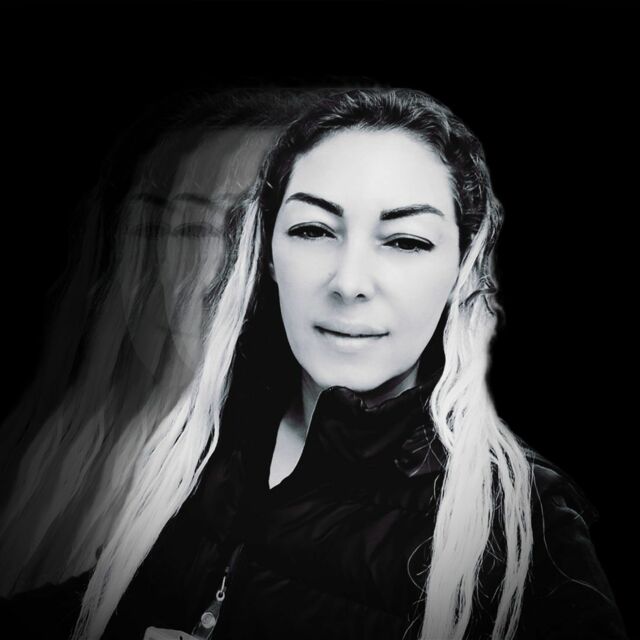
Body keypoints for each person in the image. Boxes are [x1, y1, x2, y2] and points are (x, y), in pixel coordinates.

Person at [3, 87, 630, 640]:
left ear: (460, 271)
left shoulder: (521, 517)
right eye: (312, 230)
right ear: (269, 255)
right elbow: (101, 607)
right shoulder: (210, 439)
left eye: (406, 240)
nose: (349, 282)